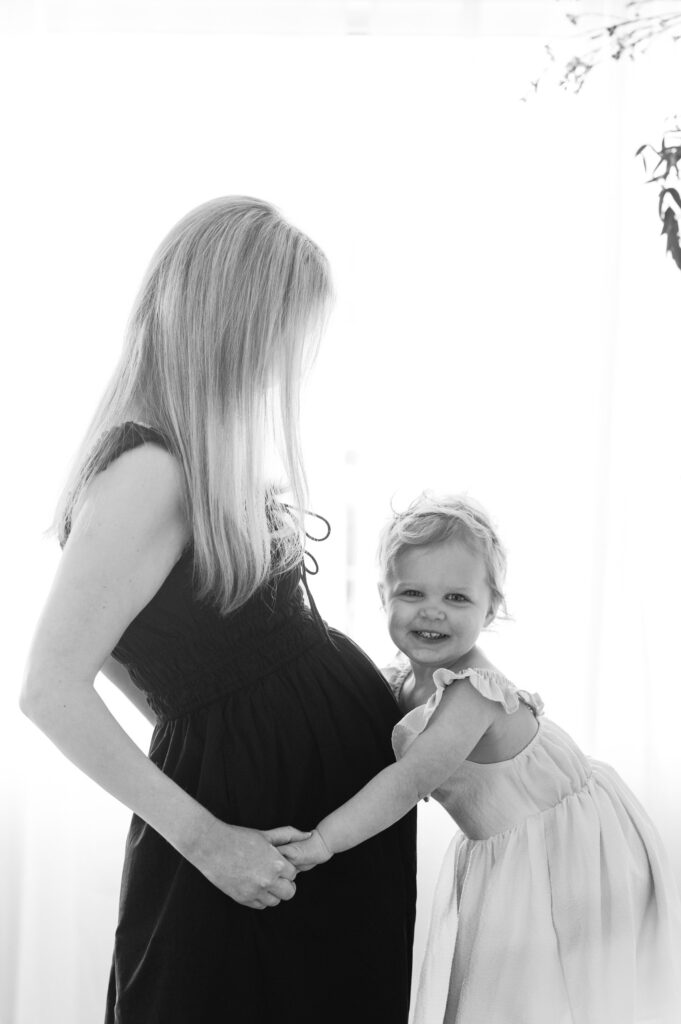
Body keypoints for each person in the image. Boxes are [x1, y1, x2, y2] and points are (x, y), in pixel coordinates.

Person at [19, 196, 416, 1024]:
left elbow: (148, 657)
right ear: (230, 323)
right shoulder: (151, 469)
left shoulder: (197, 455)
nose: (286, 363)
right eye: (283, 335)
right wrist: (207, 835)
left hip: (302, 823)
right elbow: (51, 688)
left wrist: (234, 717)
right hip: (246, 836)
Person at [279, 492, 681, 1024]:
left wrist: (324, 841)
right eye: (413, 592)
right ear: (384, 596)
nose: (432, 611)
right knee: (501, 988)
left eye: (457, 599)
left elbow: (406, 783)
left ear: (491, 608)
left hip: (568, 843)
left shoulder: (471, 694)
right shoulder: (402, 681)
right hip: (509, 848)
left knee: (555, 991)